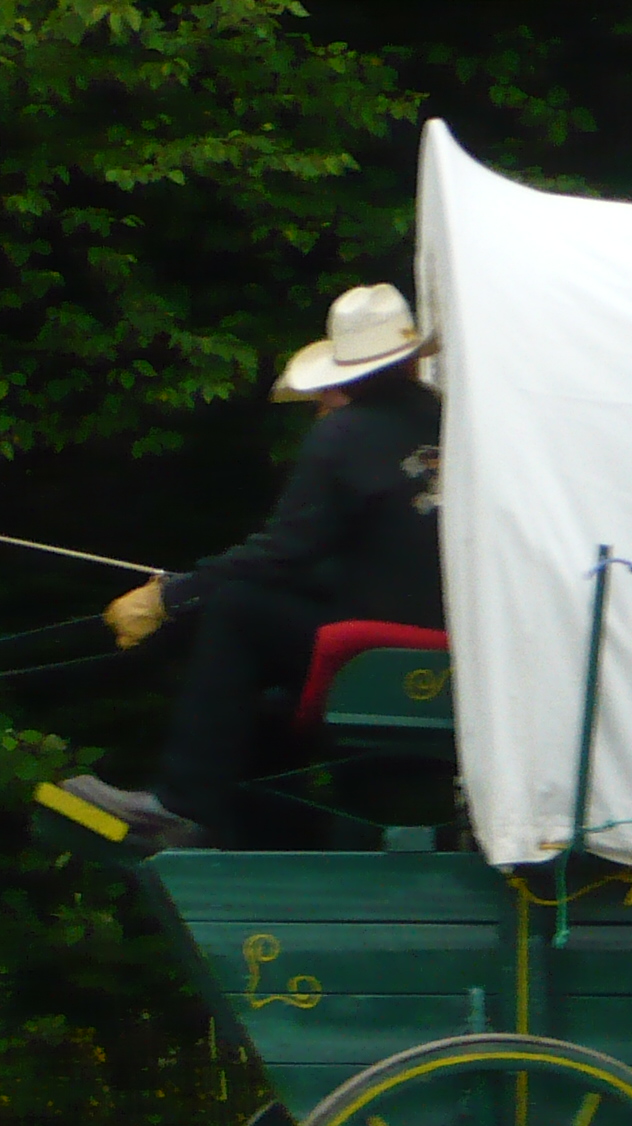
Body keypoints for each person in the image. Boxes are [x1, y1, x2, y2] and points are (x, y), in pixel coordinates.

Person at [65, 282, 445, 849]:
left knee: (238, 612)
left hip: (385, 634)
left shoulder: (342, 434)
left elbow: (282, 554)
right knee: (265, 698)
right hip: (446, 626)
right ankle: (275, 834)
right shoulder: (448, 420)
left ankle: (182, 802)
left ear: (344, 378)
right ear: (410, 360)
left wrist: (173, 597)